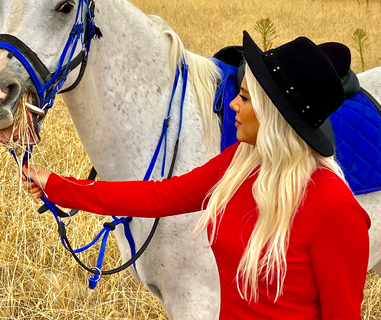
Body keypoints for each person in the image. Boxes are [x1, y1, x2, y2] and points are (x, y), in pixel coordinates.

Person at [22, 31, 370, 319]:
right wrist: (58, 186)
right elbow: (159, 196)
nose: (233, 103)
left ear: (274, 116)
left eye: (245, 99)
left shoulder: (332, 208)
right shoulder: (241, 162)